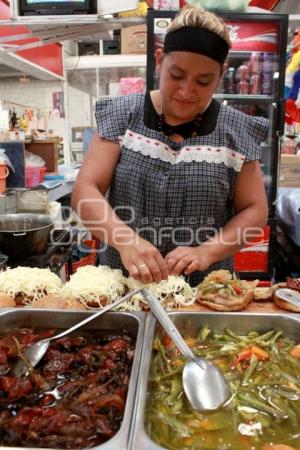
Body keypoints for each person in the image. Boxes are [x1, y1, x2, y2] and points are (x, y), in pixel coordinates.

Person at [72, 4, 268, 287]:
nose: (186, 92)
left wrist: (207, 251)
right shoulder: (122, 116)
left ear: (222, 73)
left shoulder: (237, 130)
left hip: (204, 291)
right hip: (124, 284)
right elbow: (85, 190)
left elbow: (255, 210)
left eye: (203, 81)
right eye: (176, 75)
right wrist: (127, 241)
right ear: (160, 59)